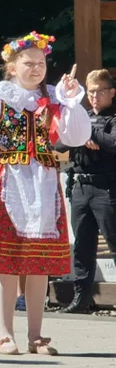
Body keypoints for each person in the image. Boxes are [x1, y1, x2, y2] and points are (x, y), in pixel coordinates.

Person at [0, 32, 90, 355]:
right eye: (28, 63)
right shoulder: (0, 95)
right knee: (7, 261)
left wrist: (71, 102)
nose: (37, 68)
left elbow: (77, 136)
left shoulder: (54, 96)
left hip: (44, 183)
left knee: (38, 263)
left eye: (41, 63)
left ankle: (36, 335)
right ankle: (4, 333)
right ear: (11, 66)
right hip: (9, 180)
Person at [62, 68, 116, 313]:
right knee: (83, 245)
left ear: (112, 92)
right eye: (90, 92)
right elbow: (59, 141)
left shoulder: (112, 117)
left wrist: (87, 131)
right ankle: (81, 298)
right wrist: (79, 132)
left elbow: (113, 143)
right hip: (81, 187)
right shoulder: (80, 115)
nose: (94, 96)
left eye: (100, 91)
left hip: (107, 187)